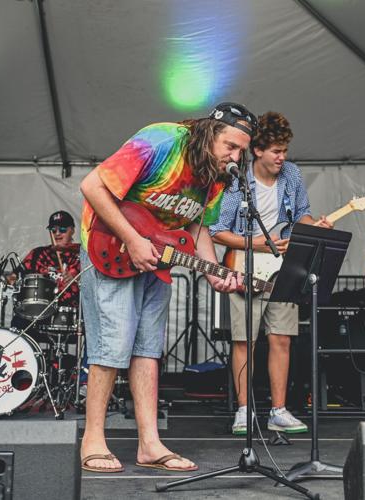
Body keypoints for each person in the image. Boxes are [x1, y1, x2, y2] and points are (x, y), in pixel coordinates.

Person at [77, 102, 252, 473]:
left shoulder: (217, 177)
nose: (235, 156)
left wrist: (214, 271)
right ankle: (93, 439)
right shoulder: (162, 141)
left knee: (147, 348)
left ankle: (149, 444)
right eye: (230, 146)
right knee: (112, 344)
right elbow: (92, 185)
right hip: (111, 244)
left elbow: (198, 228)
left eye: (241, 151)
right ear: (209, 132)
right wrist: (133, 239)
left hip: (157, 257)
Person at [211, 111, 332, 435]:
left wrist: (314, 226)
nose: (282, 157)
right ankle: (243, 410)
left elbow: (301, 214)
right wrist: (257, 244)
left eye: (285, 150)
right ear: (259, 150)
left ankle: (278, 410)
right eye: (276, 151)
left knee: (282, 339)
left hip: (283, 269)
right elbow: (217, 230)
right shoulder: (237, 179)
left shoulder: (291, 174)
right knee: (243, 341)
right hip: (244, 267)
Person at [13, 210, 81, 308]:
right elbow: (15, 276)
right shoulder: (37, 254)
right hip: (40, 312)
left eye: (62, 229)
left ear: (72, 230)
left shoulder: (84, 254)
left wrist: (78, 278)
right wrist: (10, 280)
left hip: (71, 314)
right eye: (53, 230)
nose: (57, 233)